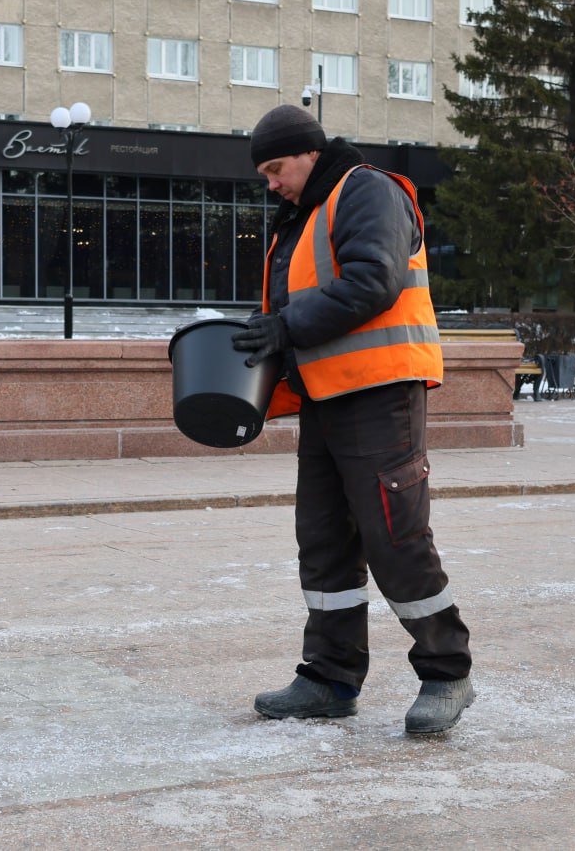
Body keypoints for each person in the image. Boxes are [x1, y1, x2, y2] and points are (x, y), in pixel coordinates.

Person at [232, 104, 474, 735]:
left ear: (309, 153)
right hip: (328, 398)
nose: (272, 183)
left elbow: (376, 279)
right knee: (325, 543)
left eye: (276, 168)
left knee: (396, 540)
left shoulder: (366, 190)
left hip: (381, 396)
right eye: (265, 173)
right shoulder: (306, 213)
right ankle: (329, 677)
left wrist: (284, 326)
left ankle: (447, 672)